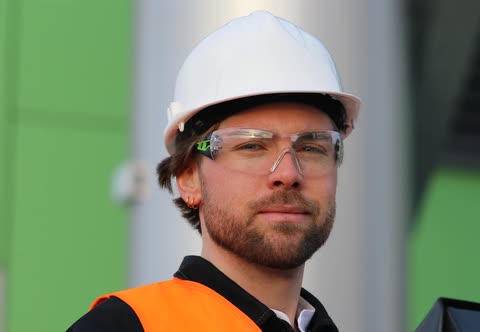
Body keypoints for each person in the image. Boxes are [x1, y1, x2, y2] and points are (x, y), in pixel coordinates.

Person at [67, 10, 360, 332]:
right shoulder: (126, 327)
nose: (288, 173)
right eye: (251, 146)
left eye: (311, 147)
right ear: (188, 178)